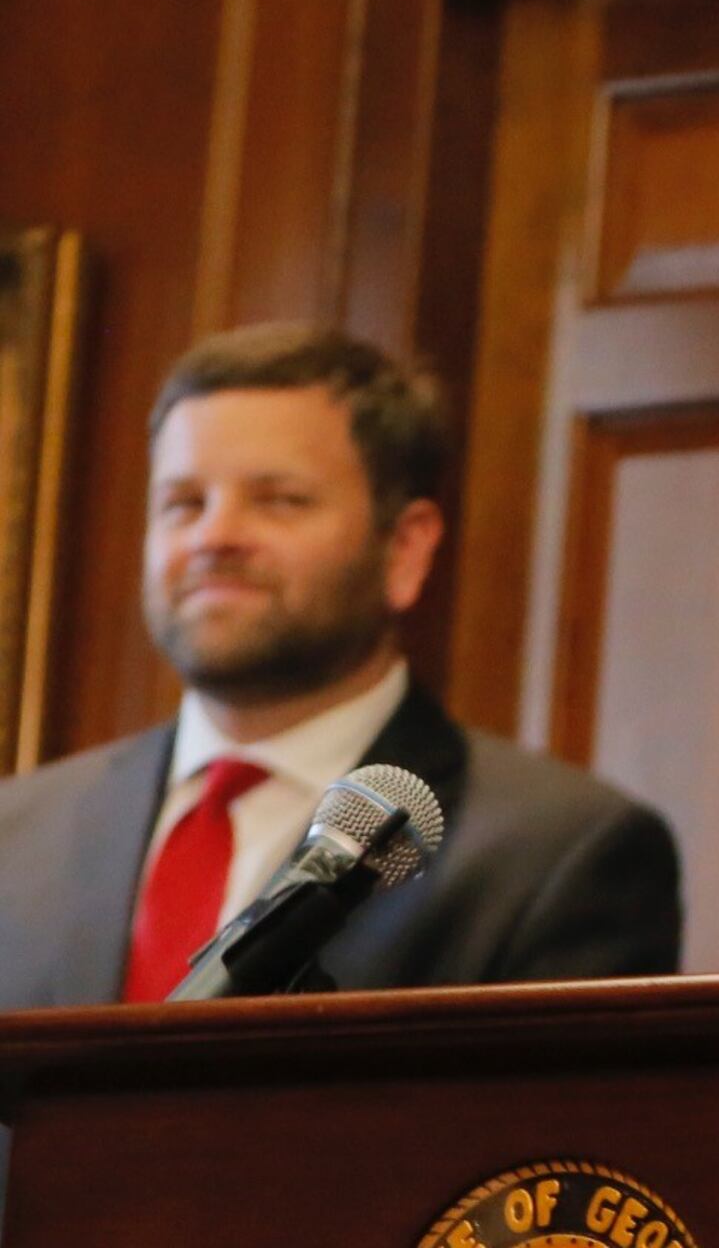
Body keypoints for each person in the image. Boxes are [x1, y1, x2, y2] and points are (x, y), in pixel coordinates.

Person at [0, 326, 680, 1008]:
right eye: (184, 504)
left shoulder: (559, 855)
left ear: (405, 548)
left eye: (278, 499)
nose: (214, 536)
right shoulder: (18, 831)